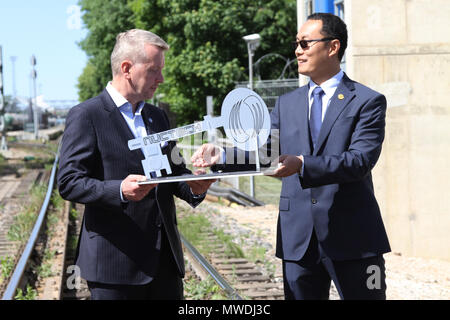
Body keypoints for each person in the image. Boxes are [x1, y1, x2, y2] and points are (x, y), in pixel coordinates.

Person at [192, 13, 391, 300]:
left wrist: (302, 164)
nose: (297, 50)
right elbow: (265, 151)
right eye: (297, 44)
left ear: (333, 47)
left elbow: (360, 160)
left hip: (354, 239)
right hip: (298, 239)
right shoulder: (287, 104)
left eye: (305, 43)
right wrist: (221, 154)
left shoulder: (367, 101)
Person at [57, 29, 215, 300]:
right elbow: (69, 182)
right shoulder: (87, 116)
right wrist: (119, 190)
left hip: (164, 264)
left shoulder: (157, 117)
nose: (161, 79)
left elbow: (174, 173)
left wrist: (196, 185)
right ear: (127, 68)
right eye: (154, 70)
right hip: (114, 266)